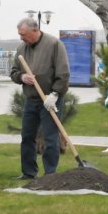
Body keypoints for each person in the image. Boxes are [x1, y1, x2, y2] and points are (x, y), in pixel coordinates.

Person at [10, 17, 70, 179]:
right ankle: (28, 172)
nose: (21, 38)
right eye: (19, 35)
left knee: (50, 137)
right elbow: (14, 71)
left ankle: (50, 173)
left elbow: (63, 73)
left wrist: (55, 94)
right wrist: (21, 77)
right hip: (31, 99)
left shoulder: (55, 45)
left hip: (50, 99)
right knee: (27, 136)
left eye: (23, 34)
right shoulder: (22, 48)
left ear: (35, 30)